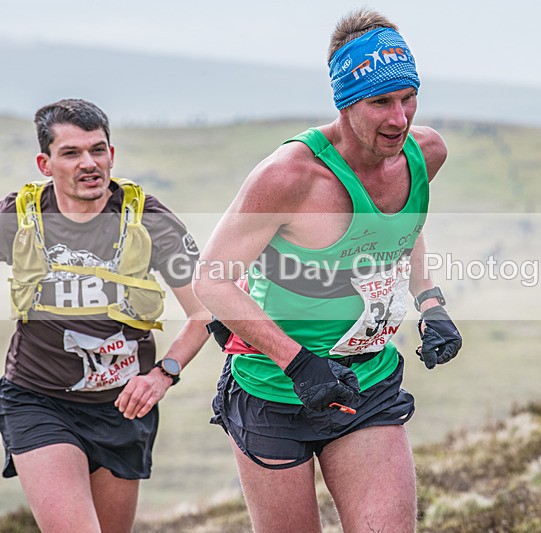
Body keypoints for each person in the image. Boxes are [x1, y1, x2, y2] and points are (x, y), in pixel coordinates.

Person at [193, 8, 462, 532]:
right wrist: (298, 363)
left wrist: (431, 302)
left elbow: (401, 227)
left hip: (366, 380)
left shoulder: (424, 153)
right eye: (380, 101)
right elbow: (212, 279)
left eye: (409, 97)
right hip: (273, 389)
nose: (399, 119)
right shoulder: (290, 176)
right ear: (343, 102)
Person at [0, 98, 210, 532]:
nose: (89, 163)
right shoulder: (18, 217)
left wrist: (163, 374)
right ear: (45, 163)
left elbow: (205, 311)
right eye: (71, 153)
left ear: (112, 155)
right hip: (37, 399)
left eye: (97, 150)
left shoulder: (147, 219)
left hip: (122, 407)